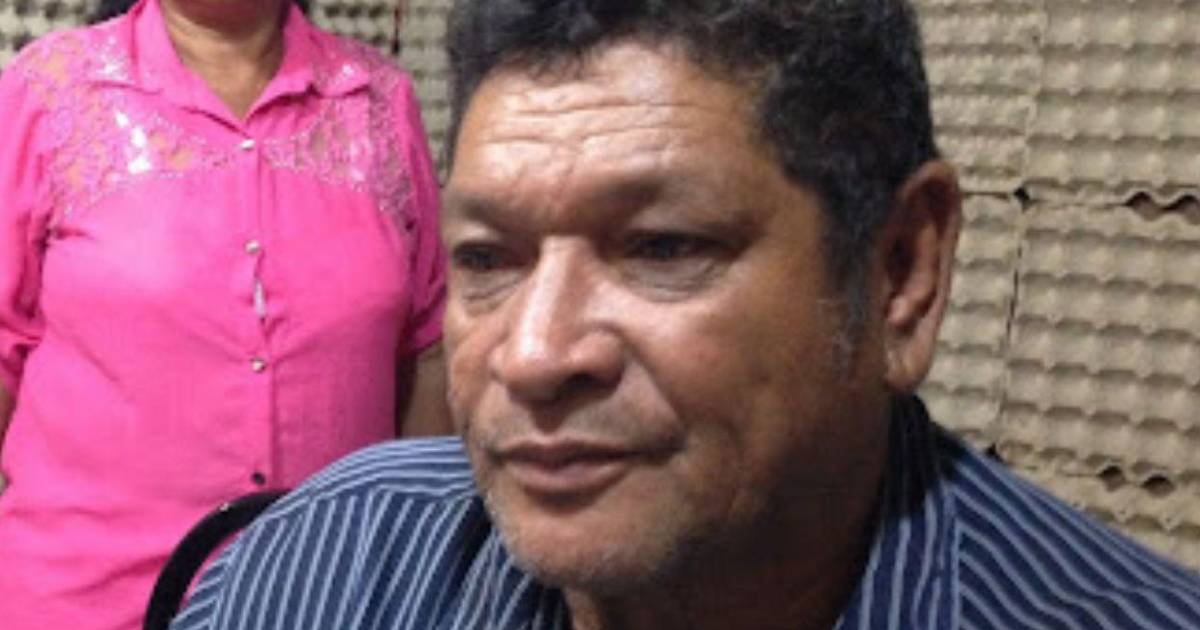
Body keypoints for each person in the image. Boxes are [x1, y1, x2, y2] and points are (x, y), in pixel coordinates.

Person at [168, 0, 1200, 628]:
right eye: (487, 258)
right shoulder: (316, 569)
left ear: (901, 274)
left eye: (662, 247)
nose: (534, 354)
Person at [0, 0, 450, 627]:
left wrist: (422, 576)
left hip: (332, 599)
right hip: (85, 605)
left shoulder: (378, 100)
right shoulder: (50, 90)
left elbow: (428, 347)